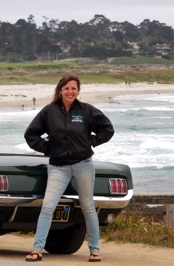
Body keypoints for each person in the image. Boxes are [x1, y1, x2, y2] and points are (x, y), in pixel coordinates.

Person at [23, 72, 114, 263]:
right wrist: (49, 148)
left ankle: (95, 250)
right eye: (66, 88)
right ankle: (37, 249)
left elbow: (107, 129)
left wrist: (90, 143)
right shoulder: (49, 111)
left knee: (88, 207)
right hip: (58, 167)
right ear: (60, 90)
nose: (70, 92)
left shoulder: (86, 111)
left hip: (83, 166)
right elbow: (31, 134)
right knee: (47, 207)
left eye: (73, 88)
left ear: (78, 90)